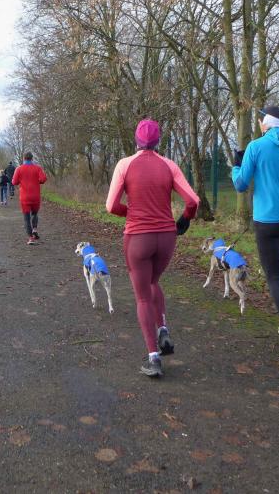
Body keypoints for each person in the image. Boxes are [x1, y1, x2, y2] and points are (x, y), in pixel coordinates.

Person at [106, 120, 199, 377]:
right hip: (166, 237)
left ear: (136, 140)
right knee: (153, 281)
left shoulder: (124, 165)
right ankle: (163, 331)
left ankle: (153, 358)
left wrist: (129, 212)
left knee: (143, 297)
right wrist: (185, 219)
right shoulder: (169, 165)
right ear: (158, 141)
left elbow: (111, 206)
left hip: (138, 237)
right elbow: (193, 200)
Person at [231, 105, 279, 356]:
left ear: (262, 123)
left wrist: (236, 166)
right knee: (276, 269)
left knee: (273, 274)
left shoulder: (256, 147)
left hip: (267, 221)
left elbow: (241, 184)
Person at [11, 152, 47, 245]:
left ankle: (31, 238)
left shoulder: (19, 169)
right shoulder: (38, 168)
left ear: (24, 158)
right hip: (35, 196)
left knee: (26, 218)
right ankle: (34, 229)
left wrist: (21, 181)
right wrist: (37, 181)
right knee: (34, 214)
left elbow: (14, 182)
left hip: (25, 197)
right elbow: (43, 179)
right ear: (32, 158)